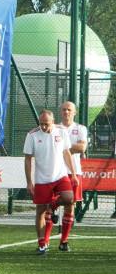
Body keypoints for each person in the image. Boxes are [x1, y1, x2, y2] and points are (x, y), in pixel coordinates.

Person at [24, 109, 78, 254]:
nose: (43, 127)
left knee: (69, 198)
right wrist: (29, 182)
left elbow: (66, 152)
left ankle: (52, 205)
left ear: (53, 122)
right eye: (41, 123)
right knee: (40, 210)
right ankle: (42, 243)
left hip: (60, 176)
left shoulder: (62, 131)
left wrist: (73, 173)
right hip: (42, 179)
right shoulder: (32, 135)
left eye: (46, 124)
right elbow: (28, 159)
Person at [54, 100, 87, 246]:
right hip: (56, 171)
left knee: (70, 205)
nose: (66, 112)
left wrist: (62, 149)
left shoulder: (80, 128)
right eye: (64, 109)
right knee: (49, 204)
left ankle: (64, 241)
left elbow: (82, 148)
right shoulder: (54, 128)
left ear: (75, 112)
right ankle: (44, 242)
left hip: (74, 171)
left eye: (69, 110)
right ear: (60, 112)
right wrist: (70, 148)